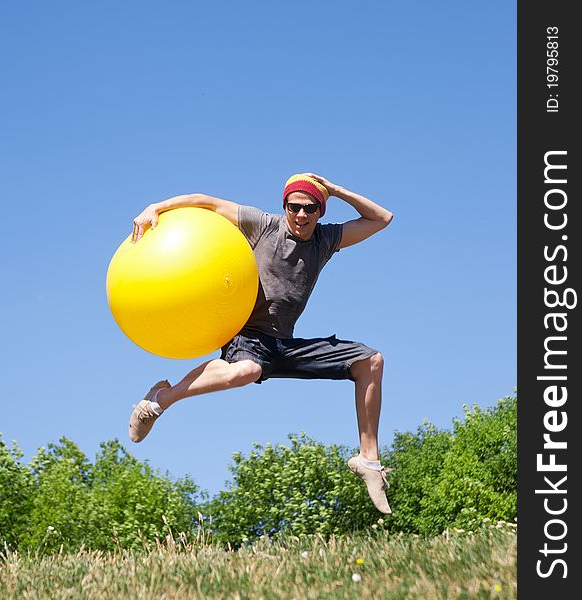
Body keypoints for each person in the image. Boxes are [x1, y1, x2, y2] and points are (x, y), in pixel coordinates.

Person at [128, 173, 394, 513]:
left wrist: (337, 189)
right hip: (249, 338)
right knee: (247, 370)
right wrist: (157, 207)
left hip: (284, 345)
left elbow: (381, 218)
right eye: (294, 207)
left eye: (310, 208)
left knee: (370, 361)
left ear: (320, 210)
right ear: (284, 207)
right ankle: (159, 399)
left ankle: (368, 461)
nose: (301, 215)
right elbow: (207, 202)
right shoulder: (264, 224)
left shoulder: (325, 240)